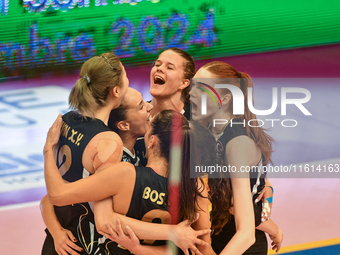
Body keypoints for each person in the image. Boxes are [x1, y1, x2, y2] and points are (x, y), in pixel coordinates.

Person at [43, 110, 214, 255]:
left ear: (152, 141)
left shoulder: (124, 174)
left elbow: (58, 196)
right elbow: (203, 250)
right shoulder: (195, 186)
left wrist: (48, 148)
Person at [40, 52, 129, 255]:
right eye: (125, 76)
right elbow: (103, 219)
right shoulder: (107, 142)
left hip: (57, 240)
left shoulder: (67, 119)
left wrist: (55, 231)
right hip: (81, 244)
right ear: (116, 90)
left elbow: (48, 197)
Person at [190, 61, 283, 254]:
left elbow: (246, 232)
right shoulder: (210, 128)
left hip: (240, 246)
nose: (191, 93)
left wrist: (268, 222)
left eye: (201, 88)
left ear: (224, 99)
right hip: (219, 234)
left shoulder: (237, 144)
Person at [135, 47, 196, 166]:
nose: (159, 69)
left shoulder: (197, 120)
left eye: (169, 67)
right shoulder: (134, 115)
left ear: (184, 83)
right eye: (157, 64)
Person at [108, 87, 153, 165]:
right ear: (124, 125)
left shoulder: (137, 149)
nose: (150, 106)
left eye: (144, 100)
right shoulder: (117, 165)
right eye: (141, 106)